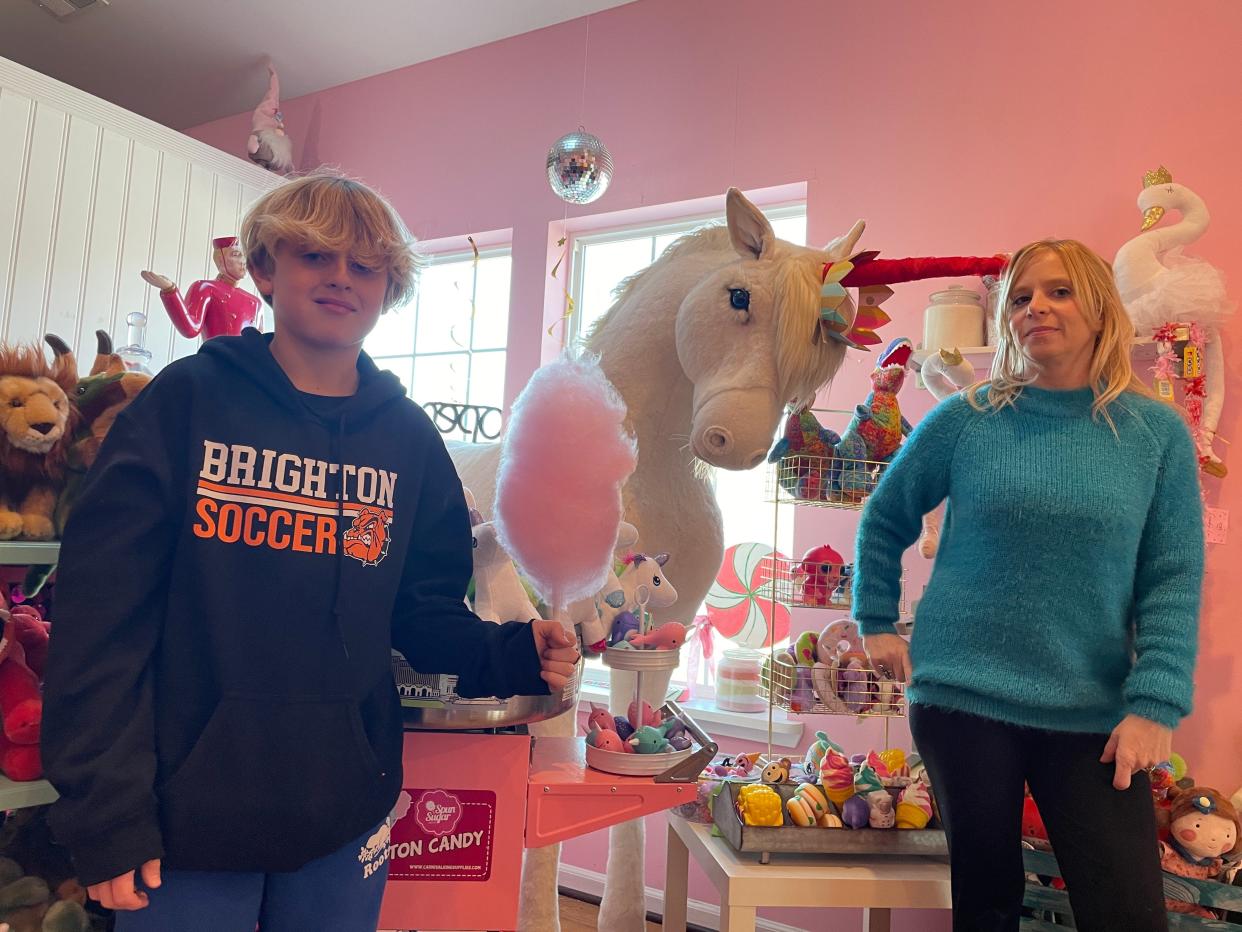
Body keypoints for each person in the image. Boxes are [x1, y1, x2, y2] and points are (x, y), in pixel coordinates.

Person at [42, 171, 579, 931]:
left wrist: (517, 650)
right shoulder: (183, 404)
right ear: (264, 269)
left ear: (390, 288)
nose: (340, 278)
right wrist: (107, 810)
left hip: (344, 811)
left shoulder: (407, 440)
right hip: (185, 814)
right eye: (314, 256)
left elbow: (421, 611)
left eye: (365, 265)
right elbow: (102, 622)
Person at [853, 239, 1204, 932]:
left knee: (1129, 912)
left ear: (1101, 310)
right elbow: (886, 514)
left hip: (1092, 711)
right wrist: (874, 620)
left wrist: (1156, 704)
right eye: (1020, 297)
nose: (1036, 307)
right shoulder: (968, 418)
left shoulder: (1154, 434)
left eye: (1059, 291)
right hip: (963, 699)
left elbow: (1173, 576)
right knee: (987, 907)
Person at [141, 236, 265, 340]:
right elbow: (190, 329)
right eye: (236, 255)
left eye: (245, 256)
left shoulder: (256, 302)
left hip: (245, 368)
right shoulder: (205, 288)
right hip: (215, 362)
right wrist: (170, 290)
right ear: (220, 261)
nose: (243, 261)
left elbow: (261, 348)